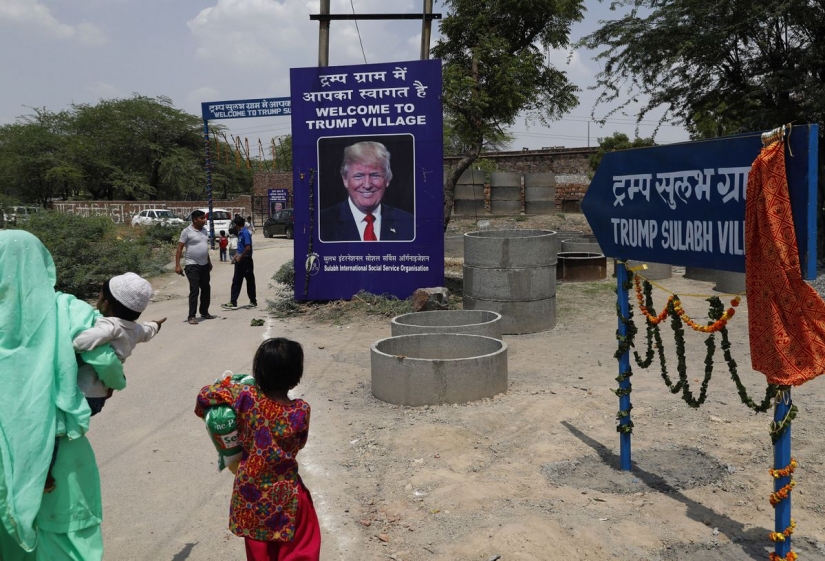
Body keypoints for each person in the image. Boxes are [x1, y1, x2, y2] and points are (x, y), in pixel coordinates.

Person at [0, 230, 124, 561]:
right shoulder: (67, 308)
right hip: (58, 449)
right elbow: (104, 358)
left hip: (6, 453)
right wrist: (115, 383)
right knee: (69, 537)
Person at [194, 338, 321, 560]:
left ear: (259, 373)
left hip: (250, 494)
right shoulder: (301, 410)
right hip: (287, 494)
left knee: (259, 554)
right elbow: (300, 444)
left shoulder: (246, 397)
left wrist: (231, 384)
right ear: (296, 376)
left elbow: (204, 396)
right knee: (300, 548)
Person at [73, 273, 166, 416]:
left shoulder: (108, 327)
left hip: (83, 393)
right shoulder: (135, 330)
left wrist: (65, 341)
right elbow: (147, 330)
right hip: (99, 395)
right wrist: (156, 325)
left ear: (105, 304)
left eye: (99, 296)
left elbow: (79, 342)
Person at [319, 140, 414, 242]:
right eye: (358, 176)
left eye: (375, 175)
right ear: (345, 180)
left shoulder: (409, 224)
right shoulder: (321, 224)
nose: (367, 185)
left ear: (387, 179)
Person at [175, 210, 215, 325]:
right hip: (192, 265)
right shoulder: (186, 231)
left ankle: (204, 312)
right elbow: (179, 248)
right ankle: (191, 316)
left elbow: (204, 248)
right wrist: (177, 265)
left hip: (204, 265)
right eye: (202, 218)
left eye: (204, 218)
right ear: (194, 220)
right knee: (195, 290)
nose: (204, 220)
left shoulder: (204, 230)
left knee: (206, 289)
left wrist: (209, 262)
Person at [222, 216, 257, 310]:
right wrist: (236, 255)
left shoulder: (245, 233)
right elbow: (241, 247)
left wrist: (240, 257)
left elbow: (248, 248)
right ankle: (233, 302)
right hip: (240, 260)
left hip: (245, 260)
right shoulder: (240, 233)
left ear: (237, 225)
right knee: (236, 281)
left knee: (249, 280)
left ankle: (253, 301)